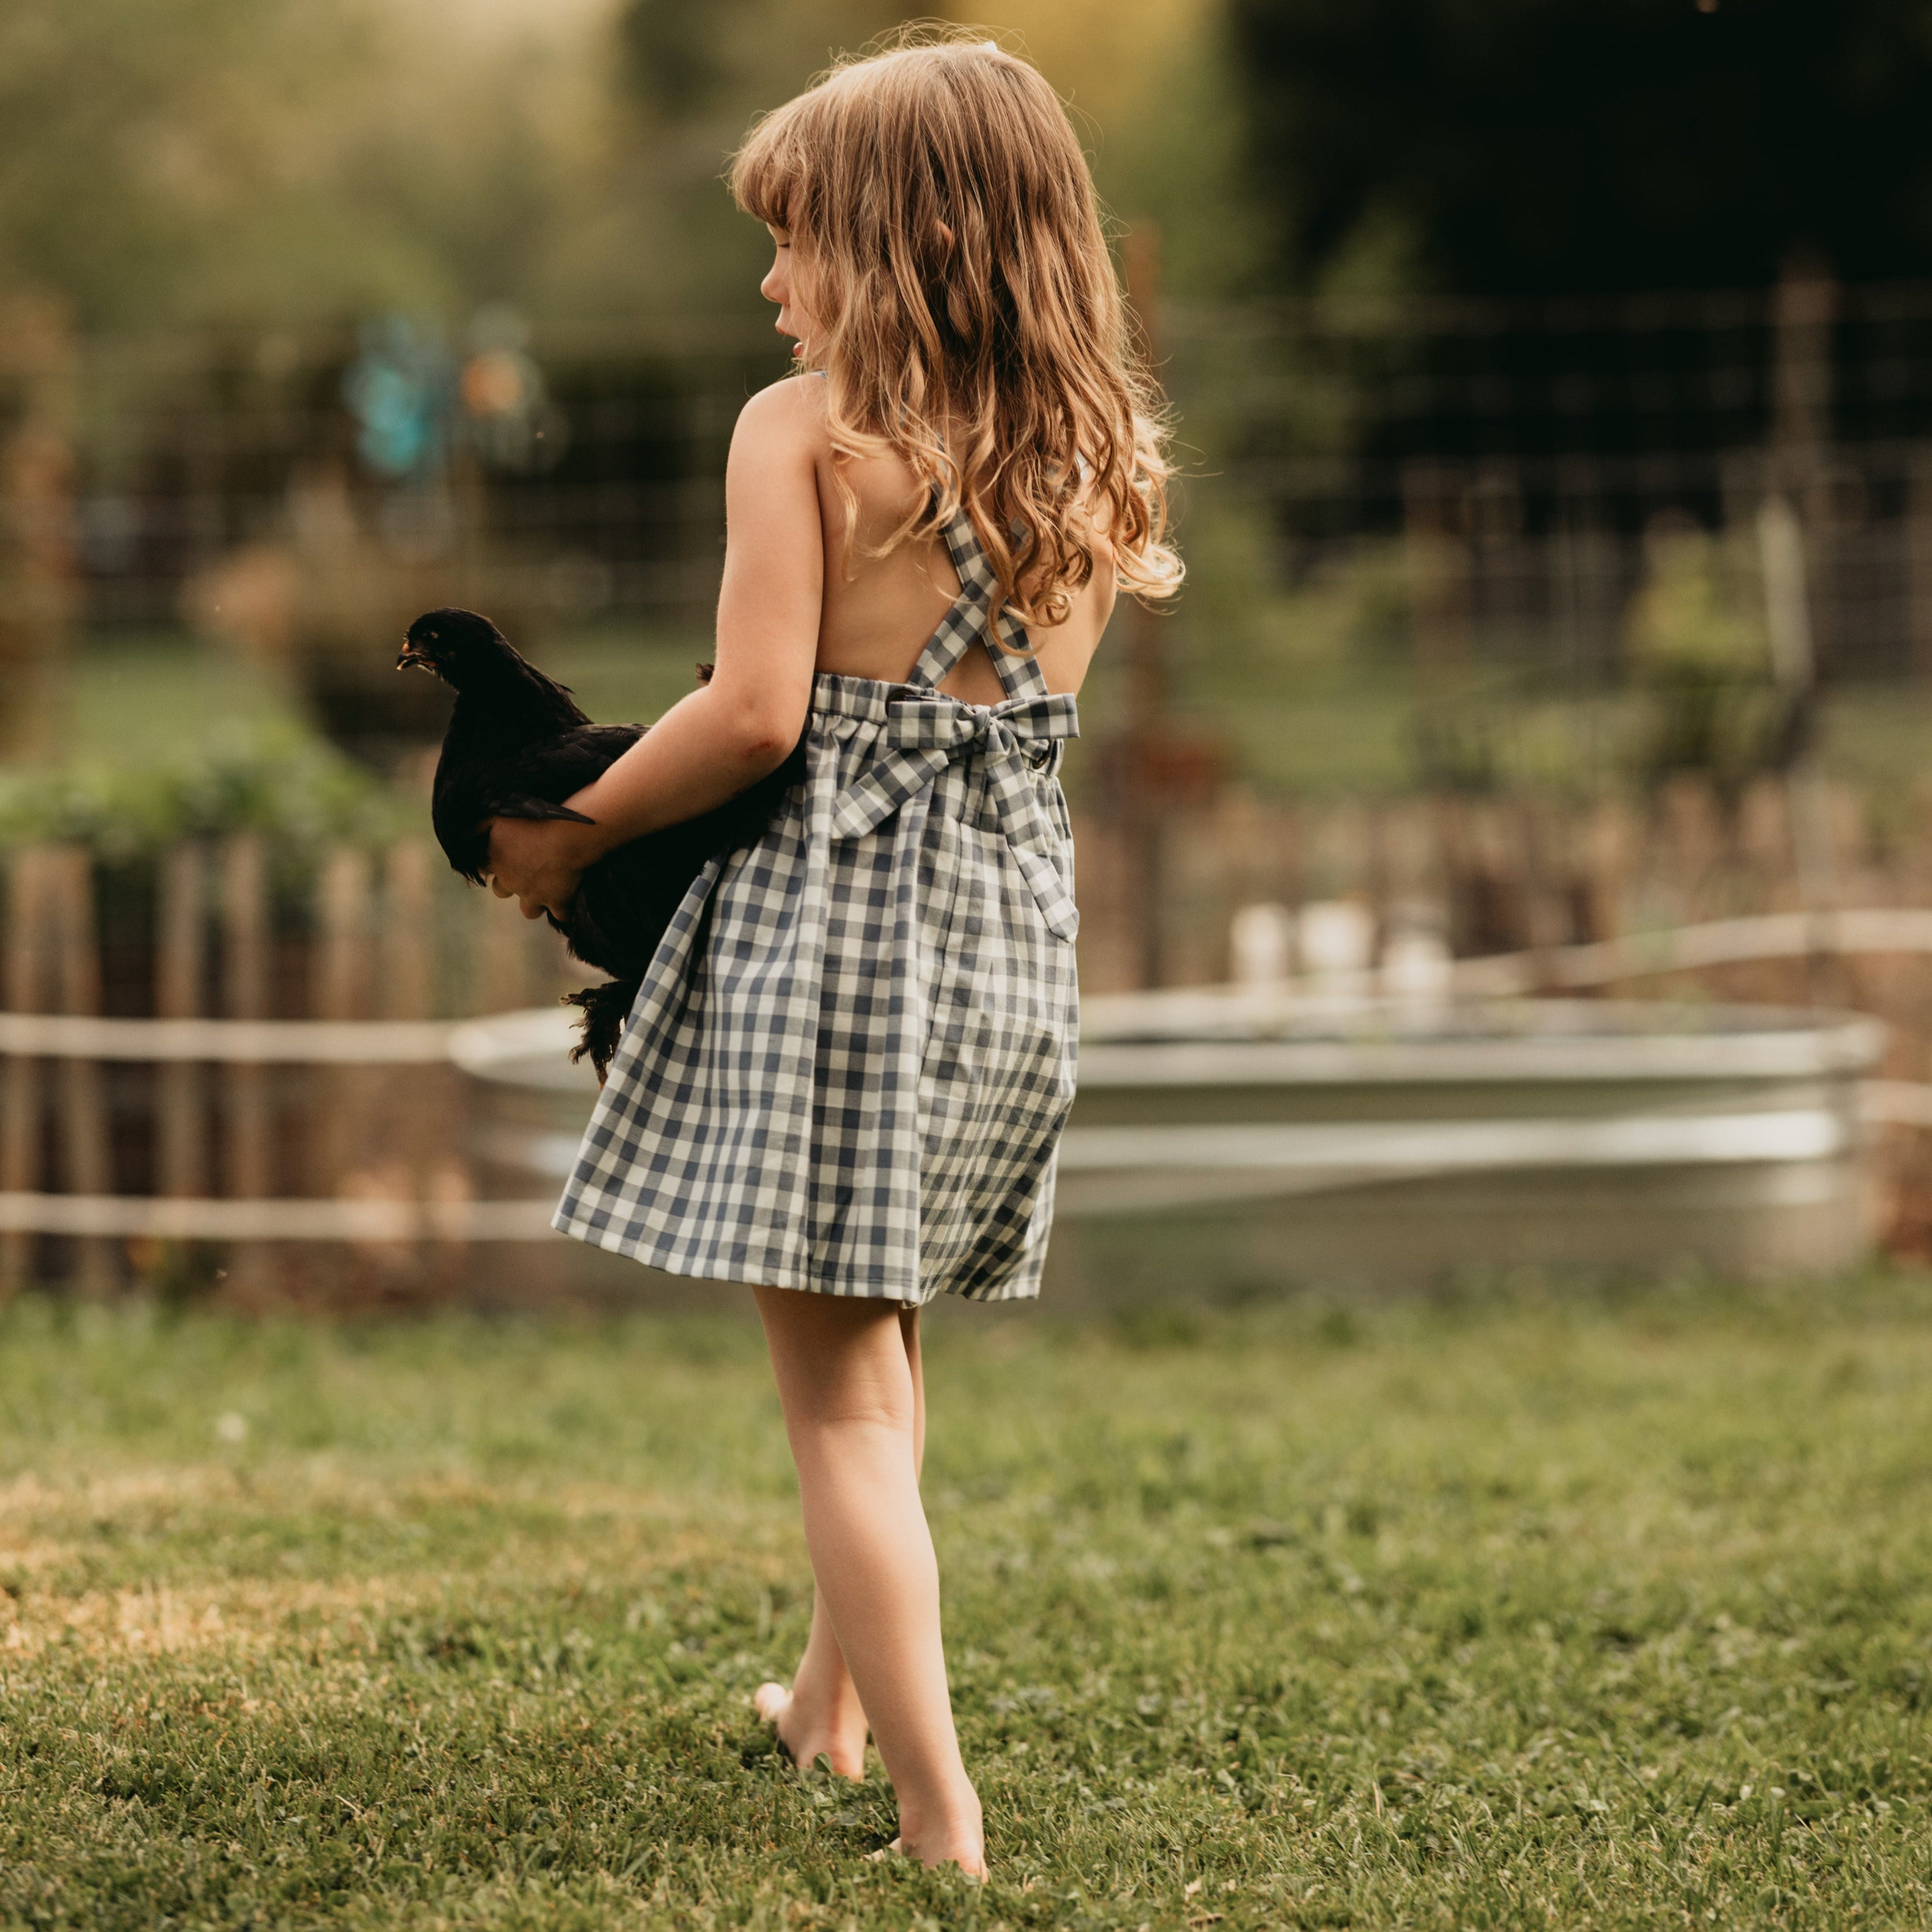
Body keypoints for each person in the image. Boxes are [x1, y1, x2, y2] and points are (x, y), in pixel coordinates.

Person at [483, 31, 1180, 1878]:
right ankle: (828, 1704)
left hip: (832, 947)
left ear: (899, 243)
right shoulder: (1092, 456)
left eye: (796, 241)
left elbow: (753, 717)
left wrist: (583, 825)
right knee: (878, 1349)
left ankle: (940, 1816)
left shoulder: (800, 435)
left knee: (838, 1400)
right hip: (1009, 949)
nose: (773, 280)